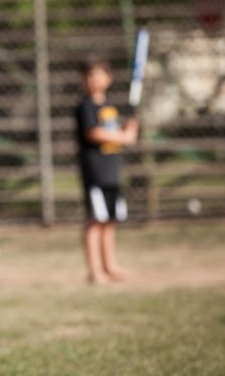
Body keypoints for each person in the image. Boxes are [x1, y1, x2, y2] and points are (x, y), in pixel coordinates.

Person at [75, 57, 138, 284]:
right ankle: (95, 271)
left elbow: (113, 133)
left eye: (100, 74)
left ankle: (110, 266)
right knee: (95, 220)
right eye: (90, 75)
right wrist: (124, 136)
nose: (95, 79)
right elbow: (94, 133)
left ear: (109, 79)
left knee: (109, 220)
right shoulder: (86, 107)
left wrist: (128, 131)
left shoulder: (109, 106)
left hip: (112, 171)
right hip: (96, 172)